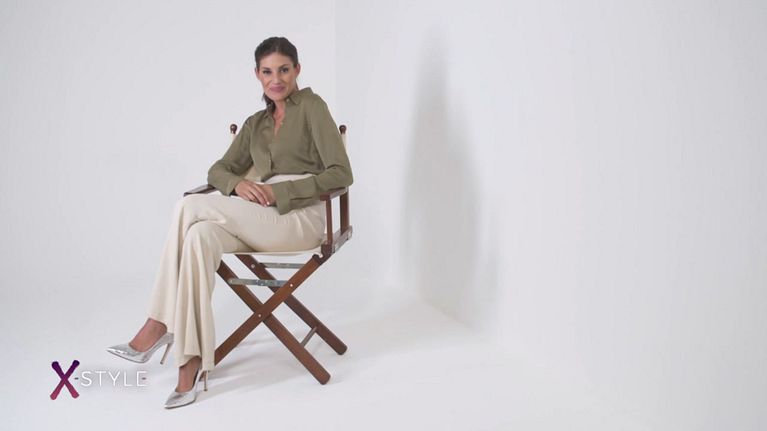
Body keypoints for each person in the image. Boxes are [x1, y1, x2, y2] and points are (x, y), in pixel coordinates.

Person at [106, 36, 353, 409]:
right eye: (267, 72)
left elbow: (341, 173)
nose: (276, 79)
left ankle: (159, 323)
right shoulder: (256, 124)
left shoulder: (312, 108)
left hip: (301, 217)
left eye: (284, 70)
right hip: (260, 219)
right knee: (199, 237)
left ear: (297, 70)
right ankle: (190, 363)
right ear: (257, 75)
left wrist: (280, 192)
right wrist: (237, 184)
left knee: (189, 206)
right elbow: (218, 170)